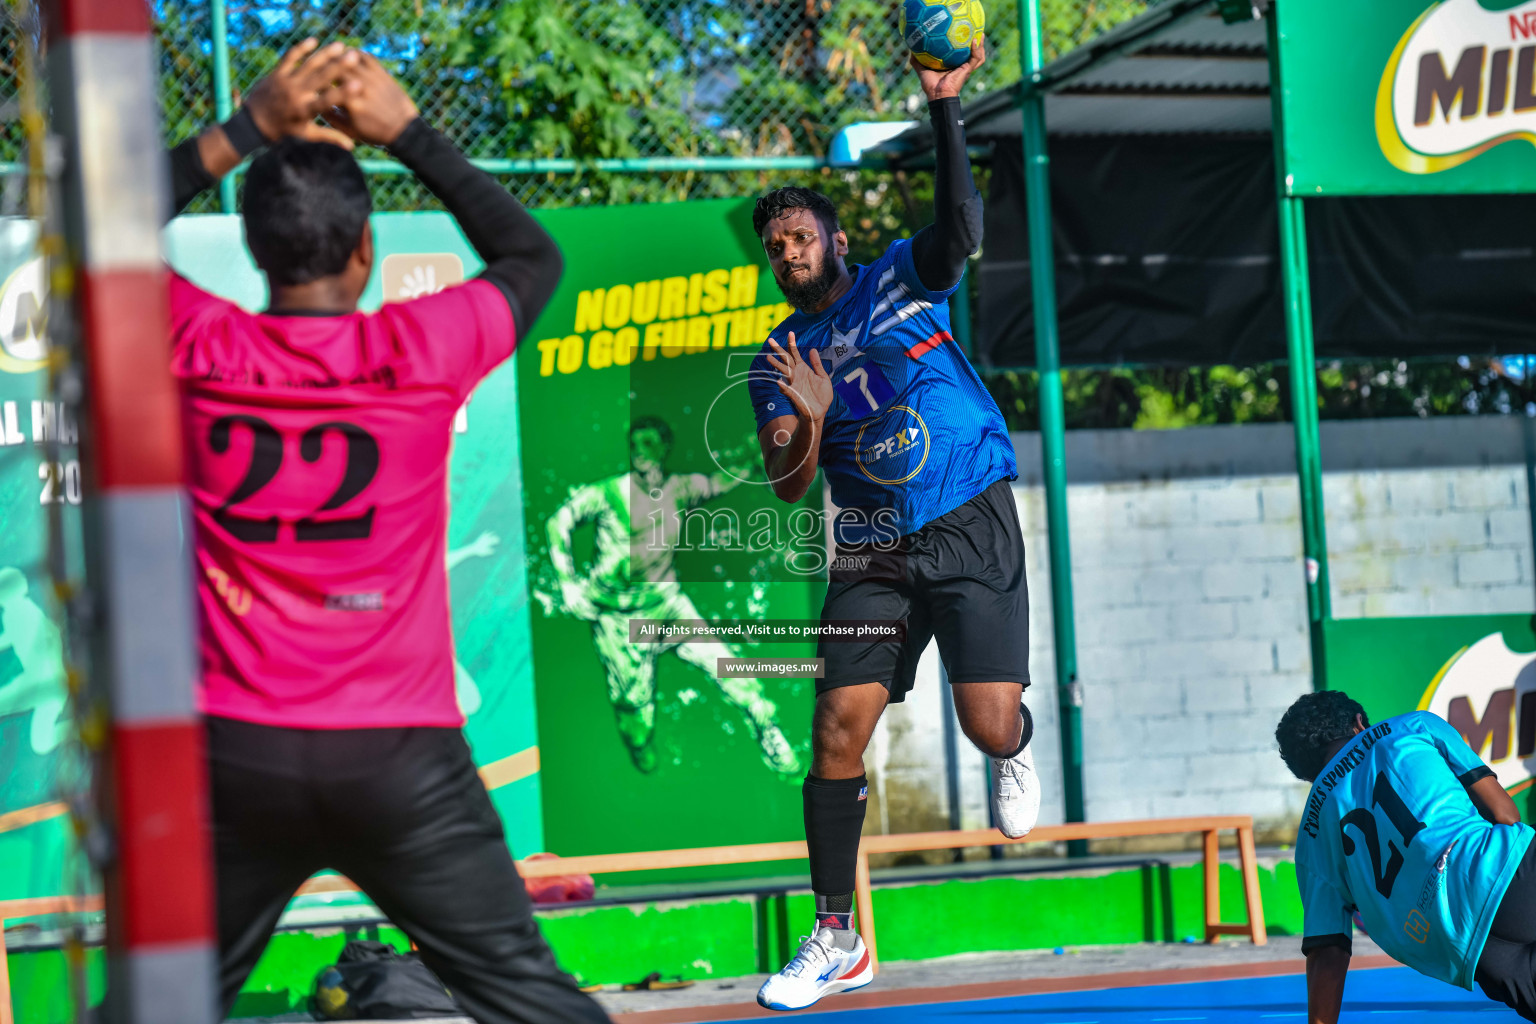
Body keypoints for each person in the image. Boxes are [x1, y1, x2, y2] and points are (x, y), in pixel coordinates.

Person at [165, 41, 610, 1023]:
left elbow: (94, 240)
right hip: (400, 760)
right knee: (534, 1001)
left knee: (159, 1004)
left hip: (240, 755)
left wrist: (245, 126)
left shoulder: (200, 344)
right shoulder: (419, 348)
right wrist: (406, 130)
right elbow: (533, 255)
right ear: (364, 251)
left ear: (252, 249)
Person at [746, 37, 1040, 1012]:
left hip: (965, 513)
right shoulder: (779, 356)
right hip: (870, 543)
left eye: (800, 236)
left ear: (835, 238)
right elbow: (790, 482)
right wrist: (815, 415)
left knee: (987, 722)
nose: (788, 253)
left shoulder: (901, 280)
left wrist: (945, 106)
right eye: (774, 246)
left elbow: (959, 226)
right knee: (834, 725)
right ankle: (836, 933)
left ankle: (1015, 743)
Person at [546, 417, 799, 775]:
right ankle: (638, 742)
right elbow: (558, 522)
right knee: (636, 716)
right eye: (634, 445)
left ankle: (768, 729)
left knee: (729, 666)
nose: (639, 453)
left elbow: (719, 482)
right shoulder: (609, 492)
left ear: (665, 448)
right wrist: (568, 583)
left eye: (648, 444)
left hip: (667, 605)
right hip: (619, 619)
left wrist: (761, 462)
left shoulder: (680, 488)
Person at [1276, 690, 1536, 1023]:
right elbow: (1505, 813)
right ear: (1358, 724)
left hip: (1470, 953)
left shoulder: (1311, 835)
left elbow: (1328, 949)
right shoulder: (1414, 725)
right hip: (1506, 872)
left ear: (1309, 775)